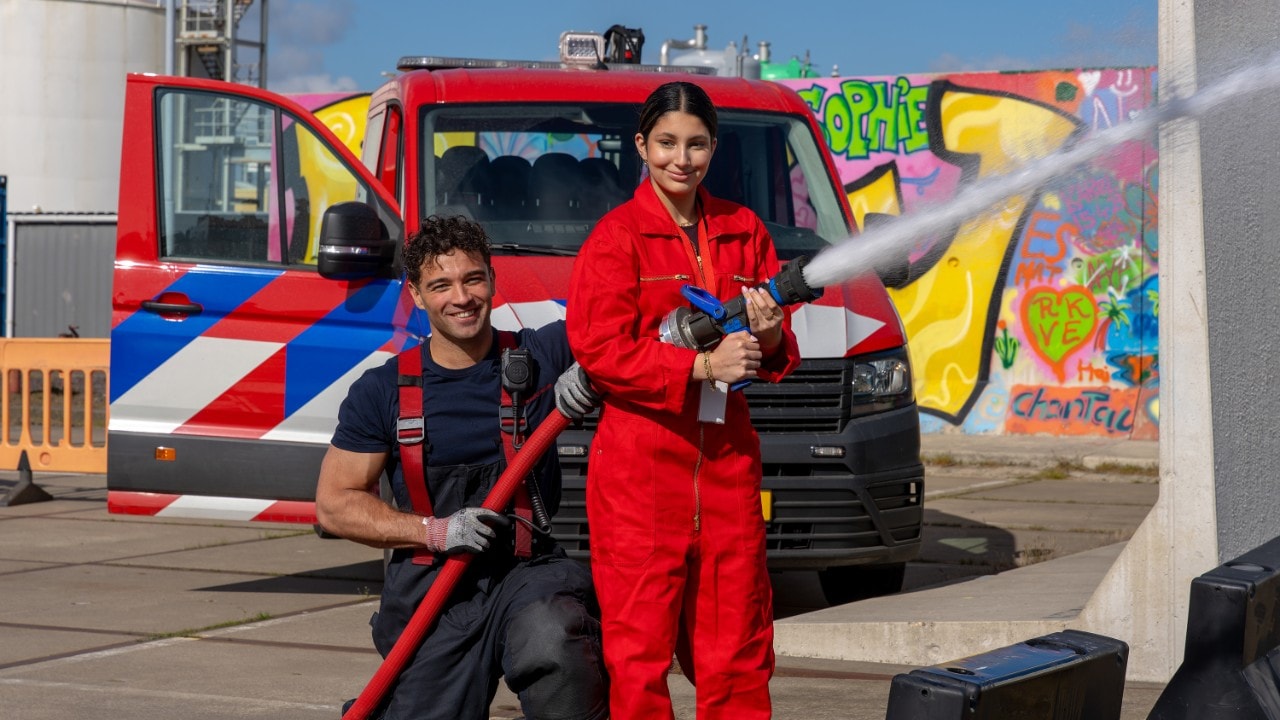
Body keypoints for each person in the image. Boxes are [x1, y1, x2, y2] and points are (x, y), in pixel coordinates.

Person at [566, 81, 801, 719]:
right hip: (639, 476)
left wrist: (769, 333)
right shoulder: (616, 238)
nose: (682, 159)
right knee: (637, 656)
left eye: (696, 144)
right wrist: (699, 365)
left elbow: (777, 352)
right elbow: (600, 350)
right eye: (667, 143)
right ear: (641, 145)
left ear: (714, 148)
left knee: (739, 650)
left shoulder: (744, 230)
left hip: (727, 469)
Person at [316, 215, 608, 720]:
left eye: (473, 279)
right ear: (416, 294)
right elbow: (334, 504)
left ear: (492, 278)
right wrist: (434, 531)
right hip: (436, 587)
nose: (462, 297)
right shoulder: (382, 392)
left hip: (526, 572)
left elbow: (639, 324)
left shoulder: (541, 356)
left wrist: (597, 370)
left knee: (555, 638)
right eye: (441, 285)